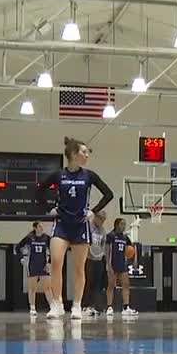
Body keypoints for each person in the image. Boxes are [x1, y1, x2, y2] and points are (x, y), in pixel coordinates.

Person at [46, 137, 114, 320]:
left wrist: (94, 211)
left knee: (78, 268)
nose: (87, 155)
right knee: (56, 263)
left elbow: (108, 194)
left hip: (80, 225)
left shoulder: (89, 176)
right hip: (61, 224)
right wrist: (49, 207)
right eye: (84, 152)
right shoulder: (59, 175)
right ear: (73, 154)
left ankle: (77, 305)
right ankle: (57, 304)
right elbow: (39, 191)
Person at [17, 220, 52, 318]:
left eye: (42, 226)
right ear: (35, 228)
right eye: (40, 226)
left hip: (43, 265)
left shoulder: (46, 238)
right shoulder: (29, 237)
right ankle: (32, 308)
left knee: (48, 287)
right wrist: (22, 258)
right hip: (32, 265)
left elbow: (53, 250)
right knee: (33, 288)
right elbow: (18, 247)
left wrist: (49, 262)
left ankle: (52, 307)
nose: (42, 228)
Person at [105, 217, 138, 318]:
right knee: (111, 285)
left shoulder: (125, 237)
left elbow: (132, 248)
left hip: (122, 264)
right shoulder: (110, 236)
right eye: (122, 224)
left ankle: (126, 307)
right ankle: (109, 307)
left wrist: (134, 260)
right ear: (116, 225)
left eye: (124, 224)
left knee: (126, 285)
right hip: (113, 263)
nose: (124, 226)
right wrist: (108, 265)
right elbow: (107, 251)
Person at [84, 212, 108, 317]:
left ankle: (93, 305)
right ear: (96, 217)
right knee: (88, 282)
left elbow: (103, 244)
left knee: (97, 284)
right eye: (101, 219)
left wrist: (101, 254)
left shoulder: (102, 230)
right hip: (88, 258)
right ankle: (85, 306)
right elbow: (85, 242)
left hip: (98, 259)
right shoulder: (88, 227)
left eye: (104, 220)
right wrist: (89, 252)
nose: (102, 221)